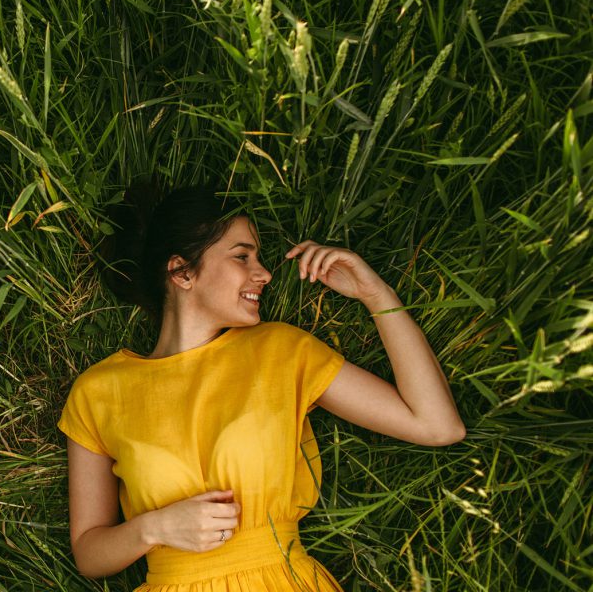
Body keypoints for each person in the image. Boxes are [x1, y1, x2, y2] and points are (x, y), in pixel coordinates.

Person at [58, 184, 465, 590]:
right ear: (182, 272)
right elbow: (90, 554)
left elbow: (437, 426)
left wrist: (377, 296)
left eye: (258, 257)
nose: (264, 273)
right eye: (242, 256)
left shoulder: (281, 350)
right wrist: (153, 528)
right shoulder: (99, 391)